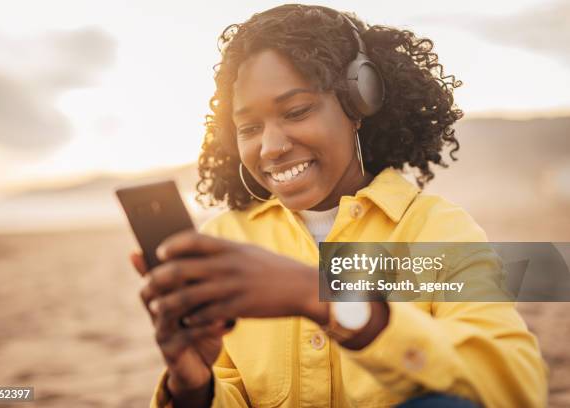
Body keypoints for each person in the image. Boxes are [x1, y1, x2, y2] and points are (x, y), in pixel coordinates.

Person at [131, 4, 547, 407]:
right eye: (250, 127)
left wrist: (325, 300)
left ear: (359, 103)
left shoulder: (438, 232)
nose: (271, 147)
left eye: (296, 111)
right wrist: (193, 386)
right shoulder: (226, 239)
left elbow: (515, 386)